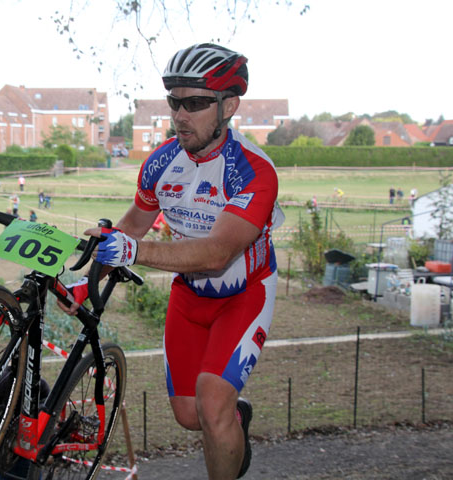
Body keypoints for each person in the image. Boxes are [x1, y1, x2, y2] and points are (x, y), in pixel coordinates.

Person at [60, 44, 283, 479]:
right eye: (175, 102)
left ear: (229, 106)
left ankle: (224, 423)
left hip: (244, 294)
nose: (181, 115)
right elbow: (130, 228)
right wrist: (87, 282)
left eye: (196, 103)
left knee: (211, 402)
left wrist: (135, 252)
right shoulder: (161, 162)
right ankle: (234, 420)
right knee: (189, 413)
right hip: (189, 296)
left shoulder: (254, 171)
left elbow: (218, 252)